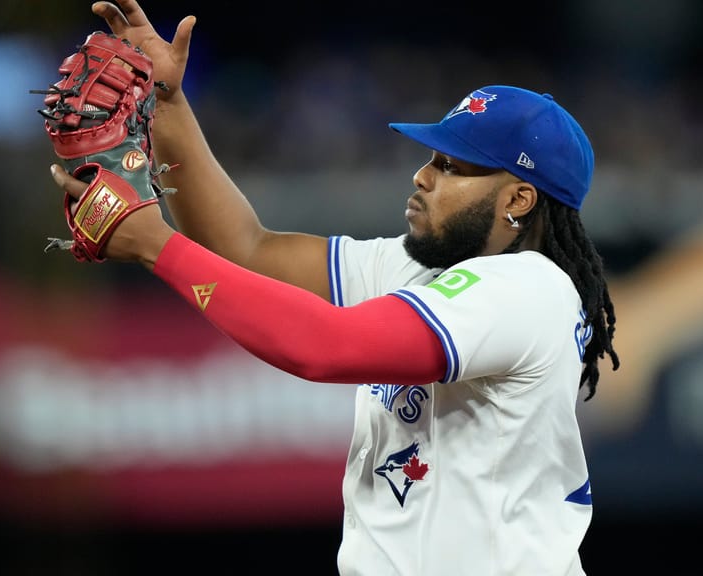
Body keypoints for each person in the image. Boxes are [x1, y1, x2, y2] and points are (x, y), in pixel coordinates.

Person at [50, 1, 620, 573]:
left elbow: (327, 347)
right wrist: (169, 106)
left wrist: (156, 245)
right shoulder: (423, 269)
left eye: (452, 167)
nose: (422, 175)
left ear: (519, 199)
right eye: (433, 157)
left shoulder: (528, 288)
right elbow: (247, 249)